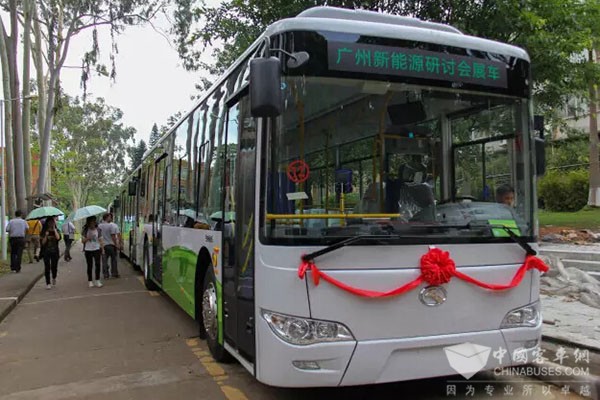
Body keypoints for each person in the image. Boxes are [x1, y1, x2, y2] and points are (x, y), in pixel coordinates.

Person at [82, 216, 104, 288]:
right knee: (90, 265)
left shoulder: (98, 229)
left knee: (97, 264)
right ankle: (90, 281)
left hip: (97, 249)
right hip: (88, 250)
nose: (92, 223)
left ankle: (97, 280)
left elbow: (101, 240)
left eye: (94, 222)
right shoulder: (85, 230)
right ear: (88, 223)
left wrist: (102, 249)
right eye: (91, 222)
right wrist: (88, 238)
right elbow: (82, 241)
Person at [40, 217, 61, 289]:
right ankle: (48, 283)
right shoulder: (44, 231)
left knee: (54, 267)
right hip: (46, 252)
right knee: (47, 267)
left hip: (55, 251)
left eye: (52, 222)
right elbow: (42, 243)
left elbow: (58, 238)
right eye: (50, 222)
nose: (51, 223)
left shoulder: (57, 230)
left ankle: (54, 277)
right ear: (47, 223)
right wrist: (46, 235)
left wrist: (54, 230)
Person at [98, 213, 120, 279]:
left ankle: (105, 274)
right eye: (110, 217)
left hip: (102, 246)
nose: (111, 218)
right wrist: (116, 245)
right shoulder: (111, 226)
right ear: (107, 217)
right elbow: (113, 236)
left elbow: (98, 236)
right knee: (114, 260)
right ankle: (114, 273)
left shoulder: (99, 226)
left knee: (104, 261)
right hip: (111, 245)